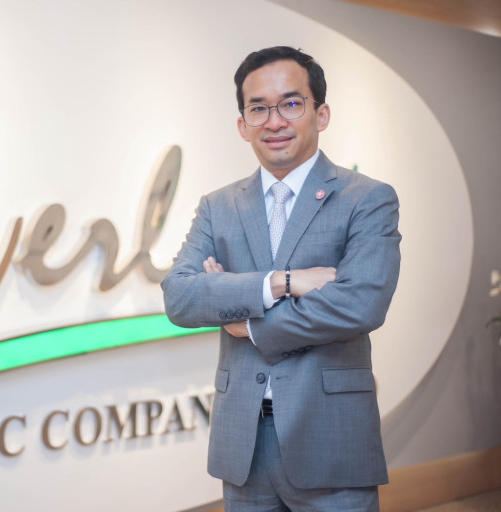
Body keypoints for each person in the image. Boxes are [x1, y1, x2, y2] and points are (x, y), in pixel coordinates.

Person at [161, 46, 401, 511]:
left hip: (330, 436)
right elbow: (180, 296)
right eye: (259, 108)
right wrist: (282, 282)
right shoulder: (218, 206)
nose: (274, 122)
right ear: (242, 124)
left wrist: (247, 322)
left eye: (291, 103)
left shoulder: (367, 199)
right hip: (244, 444)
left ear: (321, 114)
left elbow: (360, 304)